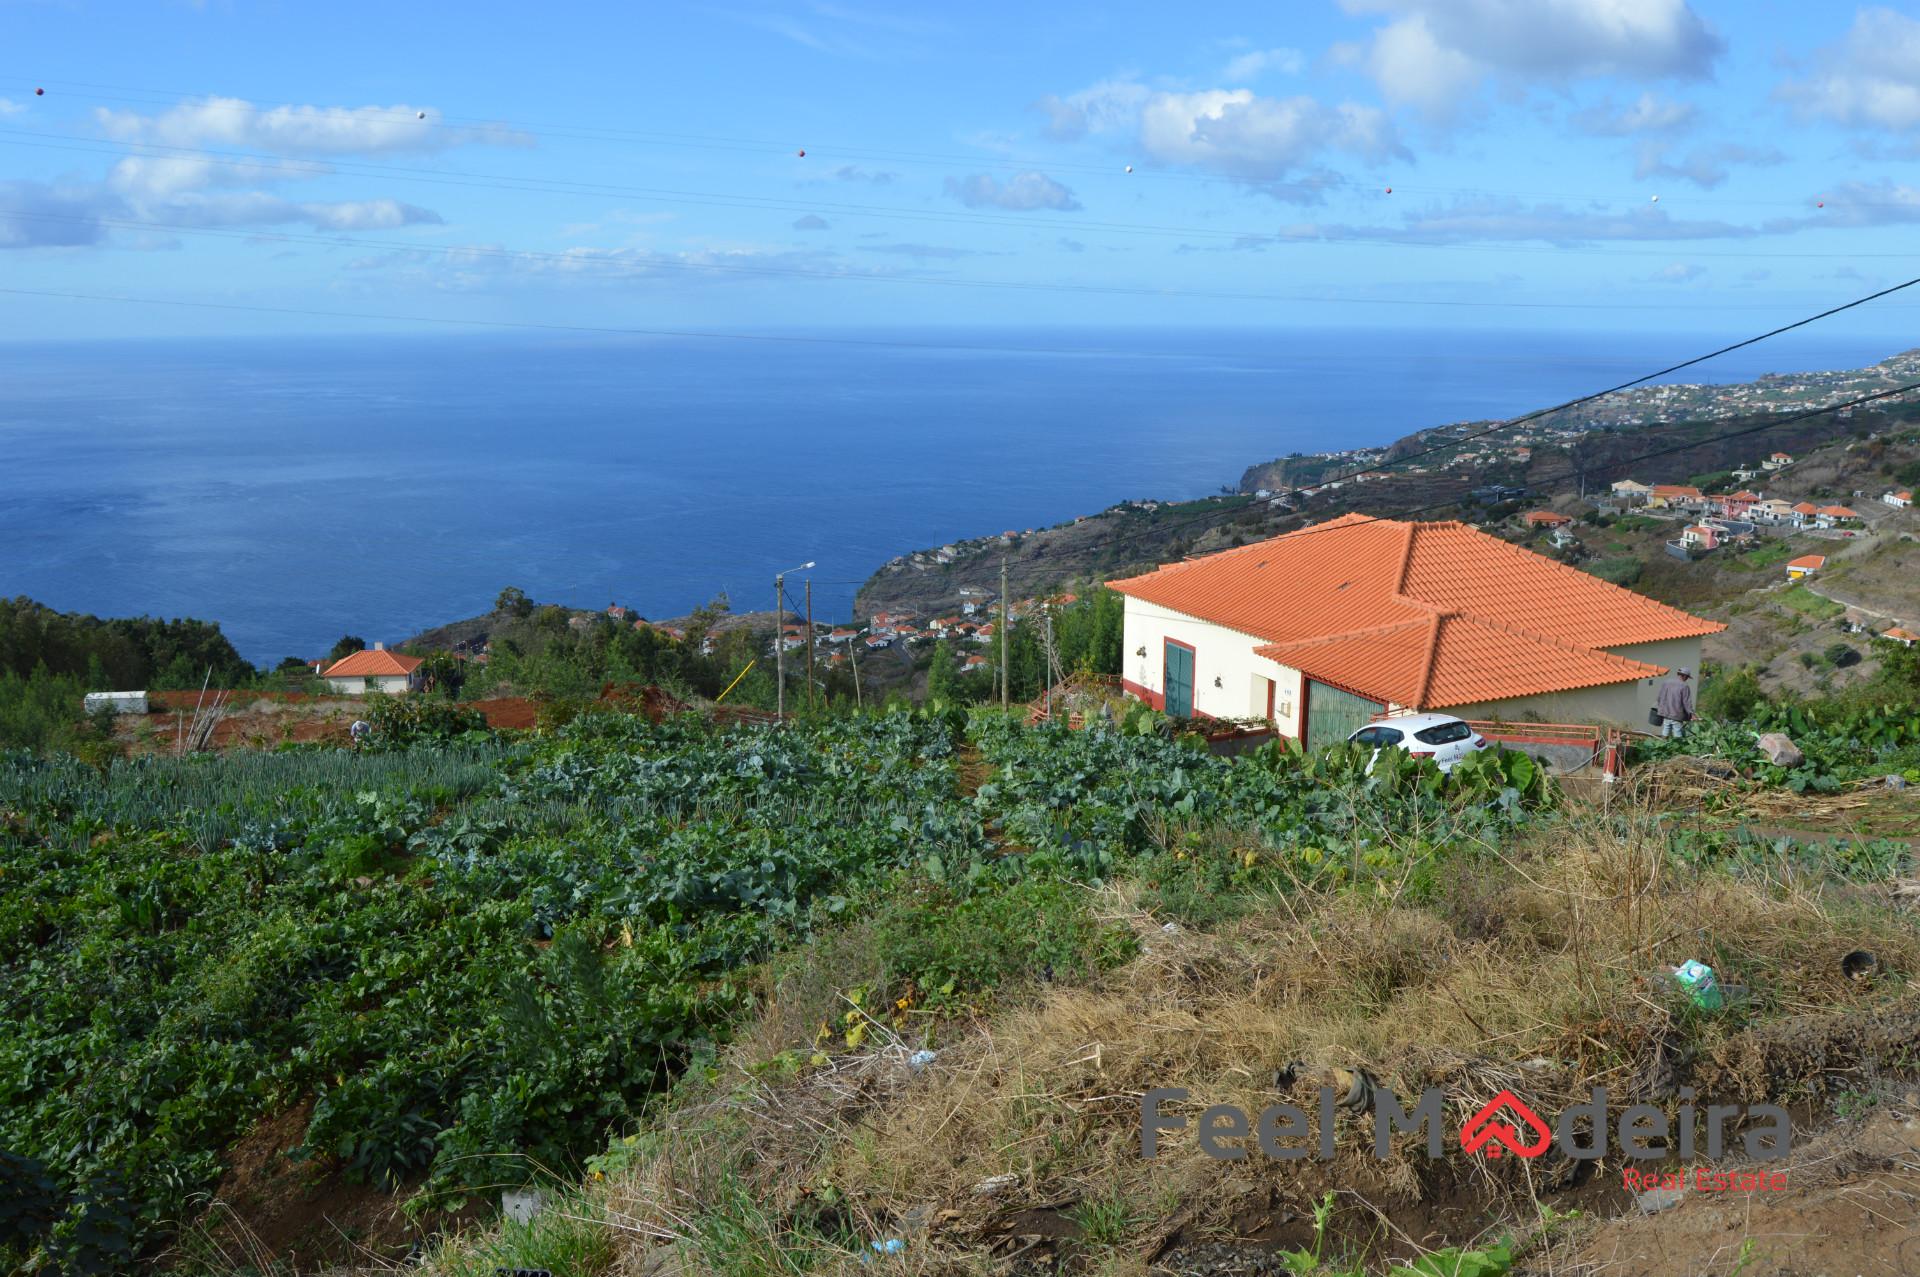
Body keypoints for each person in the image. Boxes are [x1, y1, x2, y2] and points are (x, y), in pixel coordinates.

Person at [1655, 668, 1694, 738]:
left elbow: (1659, 697)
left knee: (1665, 732)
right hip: (1676, 714)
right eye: (1687, 677)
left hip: (1665, 713)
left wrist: (1661, 708)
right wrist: (1692, 714)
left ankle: (1662, 747)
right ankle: (1677, 748)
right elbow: (1687, 702)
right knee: (1677, 735)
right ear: (1684, 676)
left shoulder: (1666, 682)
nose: (1687, 679)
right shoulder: (1684, 686)